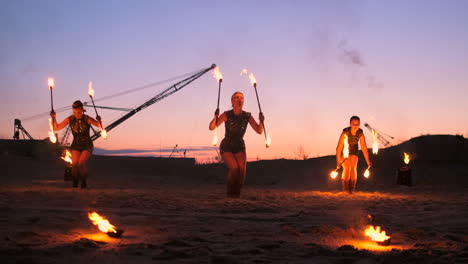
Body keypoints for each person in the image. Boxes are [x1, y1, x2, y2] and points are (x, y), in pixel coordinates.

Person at [209, 92, 264, 198]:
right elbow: (212, 127)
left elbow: (259, 130)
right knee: (234, 168)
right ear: (232, 101)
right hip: (227, 145)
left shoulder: (247, 115)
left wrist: (261, 122)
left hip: (239, 145)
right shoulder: (226, 114)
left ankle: (237, 194)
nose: (239, 99)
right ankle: (230, 193)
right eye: (237, 97)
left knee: (242, 170)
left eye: (242, 98)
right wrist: (215, 117)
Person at [50, 100, 102, 188]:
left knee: (80, 164)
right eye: (74, 112)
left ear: (82, 110)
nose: (77, 114)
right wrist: (54, 117)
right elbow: (56, 127)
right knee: (74, 165)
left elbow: (99, 125)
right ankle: (75, 182)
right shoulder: (70, 119)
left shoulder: (87, 118)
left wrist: (99, 120)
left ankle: (83, 182)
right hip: (76, 145)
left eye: (78, 112)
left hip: (87, 145)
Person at [335, 116, 372, 194]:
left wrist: (368, 161)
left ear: (359, 124)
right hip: (344, 151)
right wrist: (338, 162)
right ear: (350, 124)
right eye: (354, 124)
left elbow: (364, 148)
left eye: (357, 124)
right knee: (347, 167)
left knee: (353, 167)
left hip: (354, 151)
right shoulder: (345, 132)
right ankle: (345, 189)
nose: (355, 126)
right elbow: (338, 148)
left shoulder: (360, 132)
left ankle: (352, 189)